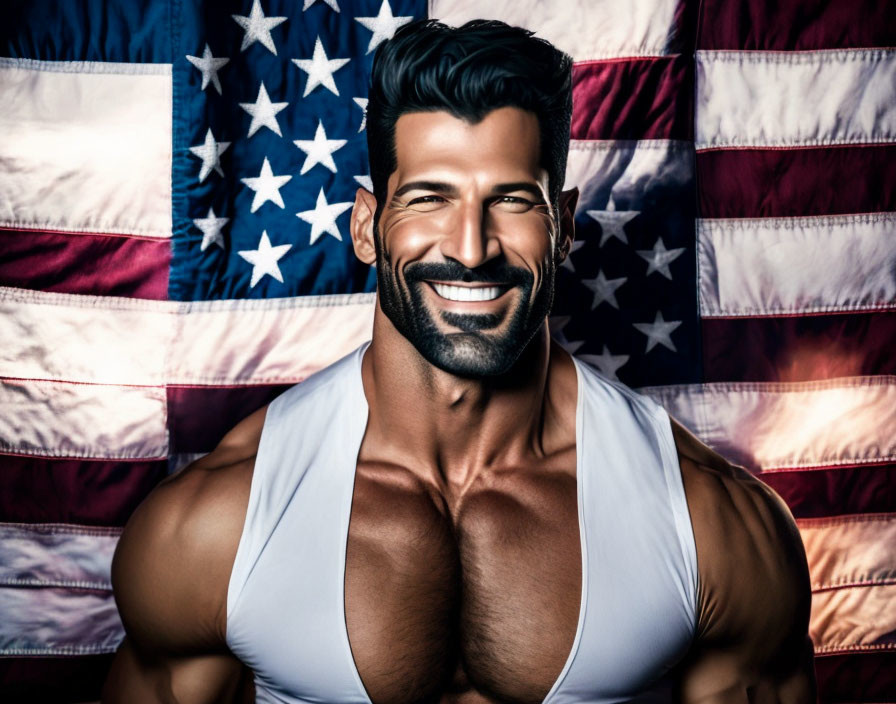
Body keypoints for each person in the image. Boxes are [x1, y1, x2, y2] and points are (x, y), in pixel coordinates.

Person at [103, 19, 815, 704]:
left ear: (562, 227)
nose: (471, 248)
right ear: (365, 226)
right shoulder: (216, 525)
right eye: (428, 198)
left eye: (509, 200)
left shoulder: (709, 523)